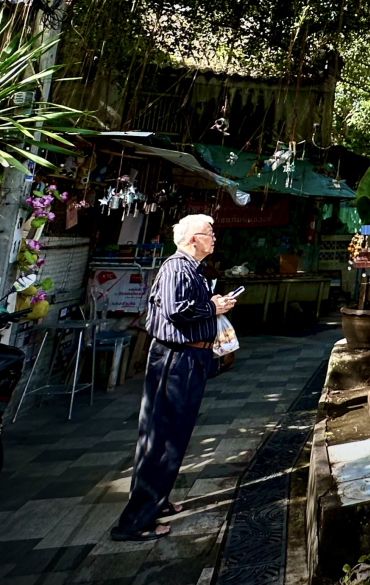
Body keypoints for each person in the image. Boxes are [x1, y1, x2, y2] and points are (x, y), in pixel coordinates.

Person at [110, 213, 238, 542]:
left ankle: (157, 501)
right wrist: (212, 308)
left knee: (170, 435)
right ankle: (136, 521)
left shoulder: (190, 269)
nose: (214, 238)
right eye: (209, 233)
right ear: (193, 239)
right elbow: (176, 309)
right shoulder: (177, 268)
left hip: (187, 357)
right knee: (163, 437)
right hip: (176, 359)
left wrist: (212, 304)